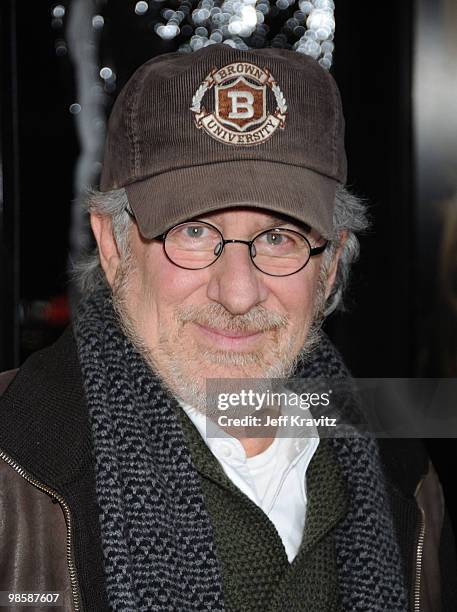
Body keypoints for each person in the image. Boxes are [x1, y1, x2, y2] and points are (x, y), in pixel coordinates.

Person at [0, 45, 455, 612]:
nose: (238, 294)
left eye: (279, 237)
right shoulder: (14, 465)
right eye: (192, 232)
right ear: (114, 247)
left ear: (332, 264)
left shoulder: (407, 476)